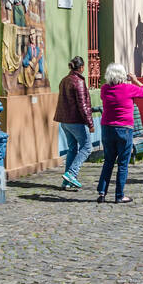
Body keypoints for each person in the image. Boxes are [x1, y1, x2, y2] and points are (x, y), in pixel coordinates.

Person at [96, 64, 143, 203]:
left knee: (108, 161)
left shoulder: (104, 89)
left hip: (107, 128)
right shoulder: (129, 88)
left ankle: (102, 192)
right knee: (122, 163)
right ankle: (119, 195)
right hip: (124, 129)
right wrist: (135, 80)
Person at [54, 56, 94, 190]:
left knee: (72, 149)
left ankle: (66, 182)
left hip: (64, 121)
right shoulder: (79, 82)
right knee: (87, 147)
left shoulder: (64, 80)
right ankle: (71, 173)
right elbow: (83, 105)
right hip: (76, 121)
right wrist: (90, 123)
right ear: (81, 67)